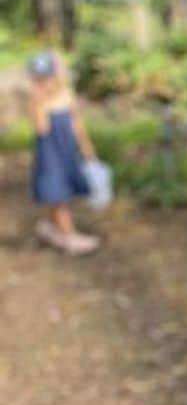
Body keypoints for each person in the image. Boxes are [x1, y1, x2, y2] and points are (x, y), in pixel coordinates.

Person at [27, 51, 100, 256]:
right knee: (57, 196)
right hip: (50, 158)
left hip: (66, 154)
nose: (45, 84)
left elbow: (77, 125)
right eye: (39, 80)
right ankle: (69, 236)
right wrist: (39, 102)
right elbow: (41, 129)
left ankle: (52, 227)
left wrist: (87, 150)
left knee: (60, 193)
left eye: (48, 78)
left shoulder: (67, 97)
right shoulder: (36, 102)